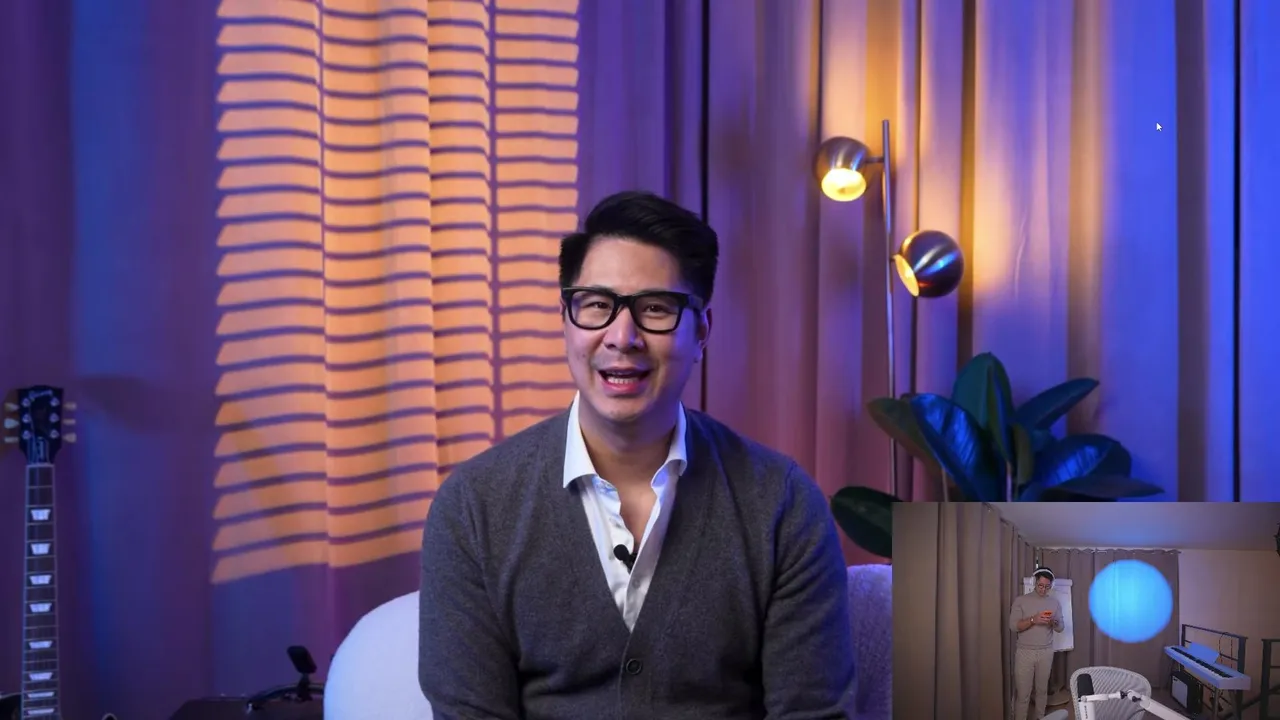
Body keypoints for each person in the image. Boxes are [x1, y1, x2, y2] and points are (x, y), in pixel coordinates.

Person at [418, 190, 857, 719]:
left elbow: (812, 713)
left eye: (655, 308)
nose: (622, 337)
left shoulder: (782, 504)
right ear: (566, 321)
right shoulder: (473, 508)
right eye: (596, 305)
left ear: (702, 332)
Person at [1009, 567, 1065, 720]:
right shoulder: (1021, 601)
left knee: (1042, 691)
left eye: (1047, 586)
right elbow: (1013, 626)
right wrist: (1033, 620)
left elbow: (1060, 627)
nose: (1043, 589)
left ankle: (1040, 717)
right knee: (1023, 694)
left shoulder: (1054, 603)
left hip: (1046, 652)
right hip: (1024, 653)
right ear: (1034, 582)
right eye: (1040, 585)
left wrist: (1052, 622)